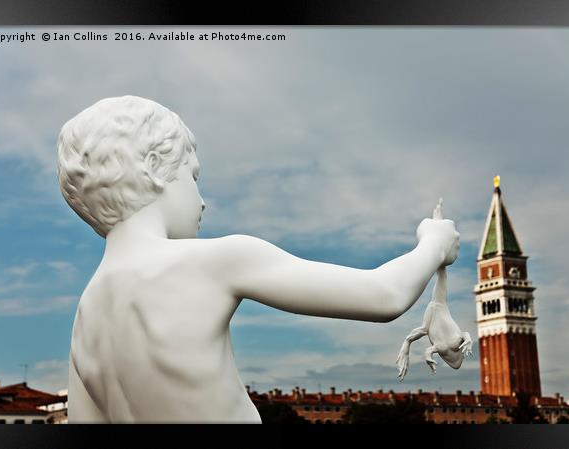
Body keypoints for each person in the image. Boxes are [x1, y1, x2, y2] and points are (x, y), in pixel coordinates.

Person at [57, 95, 460, 423]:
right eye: (192, 177)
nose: (201, 201)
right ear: (155, 168)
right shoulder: (217, 259)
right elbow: (384, 296)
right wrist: (434, 243)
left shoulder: (86, 315)